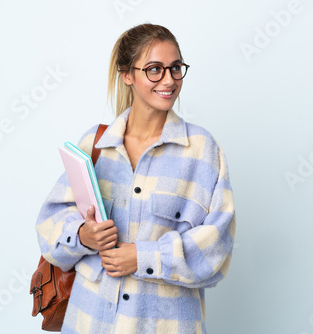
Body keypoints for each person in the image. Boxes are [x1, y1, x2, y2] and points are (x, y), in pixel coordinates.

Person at [35, 23, 236, 334]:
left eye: (175, 68)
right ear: (127, 75)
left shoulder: (202, 151)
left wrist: (143, 257)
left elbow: (216, 248)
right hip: (91, 320)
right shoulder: (95, 144)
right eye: (154, 69)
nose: (169, 80)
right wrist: (84, 235)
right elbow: (49, 227)